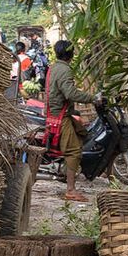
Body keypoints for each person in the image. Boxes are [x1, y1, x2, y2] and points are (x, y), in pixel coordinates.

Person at [47, 39, 93, 203]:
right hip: (62, 116)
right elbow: (70, 93)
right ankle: (71, 190)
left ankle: (69, 173)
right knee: (74, 151)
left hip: (59, 113)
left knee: (81, 134)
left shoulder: (55, 67)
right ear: (71, 54)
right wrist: (93, 98)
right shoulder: (65, 70)